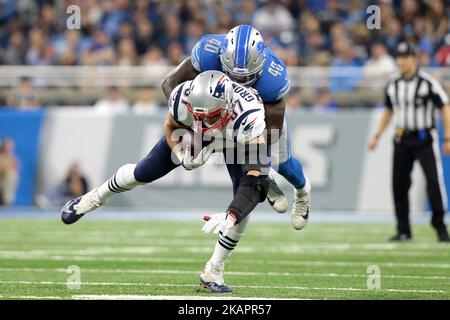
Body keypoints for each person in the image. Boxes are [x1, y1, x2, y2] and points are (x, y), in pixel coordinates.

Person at [61, 71, 304, 292]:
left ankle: (213, 270)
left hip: (236, 140)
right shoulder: (183, 98)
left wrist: (232, 213)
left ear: (227, 106)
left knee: (244, 204)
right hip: (198, 136)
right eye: (200, 115)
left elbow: (254, 181)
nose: (205, 120)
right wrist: (180, 152)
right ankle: (91, 199)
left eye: (211, 116)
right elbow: (171, 125)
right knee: (143, 171)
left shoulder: (249, 114)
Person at [161, 24, 310, 230]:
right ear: (222, 59)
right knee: (240, 158)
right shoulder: (208, 51)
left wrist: (221, 139)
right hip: (220, 116)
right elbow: (170, 85)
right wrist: (195, 120)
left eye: (245, 78)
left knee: (281, 164)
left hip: (259, 122)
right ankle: (264, 177)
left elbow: (270, 133)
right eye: (232, 75)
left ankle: (302, 191)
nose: (237, 82)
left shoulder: (272, 79)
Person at [368, 42, 450, 242]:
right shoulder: (393, 83)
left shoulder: (428, 82)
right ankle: (403, 229)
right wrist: (376, 135)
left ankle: (440, 228)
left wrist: (448, 137)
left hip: (424, 139)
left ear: (414, 58)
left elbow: (445, 107)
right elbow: (388, 111)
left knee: (433, 182)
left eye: (406, 57)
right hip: (402, 138)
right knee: (399, 185)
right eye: (399, 57)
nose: (402, 61)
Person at [0, 137, 19, 206]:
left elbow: (15, 168)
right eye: (7, 145)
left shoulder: (13, 158)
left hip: (4, 185)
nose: (9, 147)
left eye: (10, 145)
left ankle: (7, 200)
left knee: (13, 175)